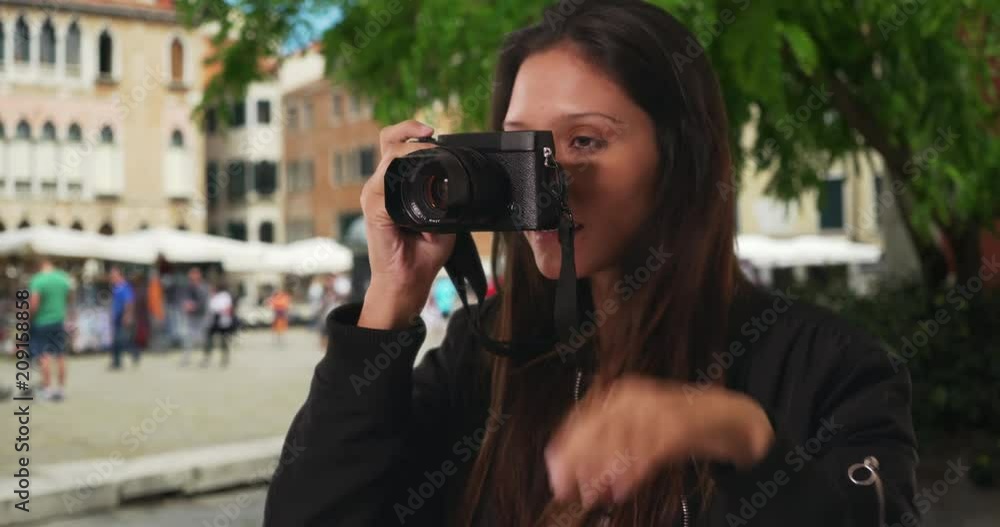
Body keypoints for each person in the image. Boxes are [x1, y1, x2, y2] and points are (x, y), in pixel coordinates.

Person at [263, 2, 918, 526]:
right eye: (526, 148)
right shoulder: (484, 357)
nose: (550, 178)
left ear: (680, 160)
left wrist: (738, 436)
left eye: (585, 140)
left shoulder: (828, 367)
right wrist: (391, 298)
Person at [28, 258, 73, 401]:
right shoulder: (63, 278)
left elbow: (33, 304)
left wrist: (28, 317)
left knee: (44, 355)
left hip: (41, 322)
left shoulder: (38, 280)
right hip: (58, 320)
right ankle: (60, 389)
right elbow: (70, 297)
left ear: (39, 266)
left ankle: (47, 389)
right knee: (60, 355)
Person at [108, 266, 138, 370]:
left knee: (120, 339)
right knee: (119, 339)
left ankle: (121, 360)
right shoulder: (116, 287)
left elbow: (129, 302)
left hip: (123, 316)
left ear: (119, 275)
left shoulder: (124, 287)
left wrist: (127, 316)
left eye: (113, 275)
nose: (112, 277)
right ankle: (117, 361)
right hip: (117, 316)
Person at [179, 267, 210, 366]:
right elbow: (183, 299)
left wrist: (194, 306)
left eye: (194, 274)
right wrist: (185, 305)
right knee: (188, 338)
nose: (192, 276)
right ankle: (186, 358)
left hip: (201, 316)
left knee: (202, 339)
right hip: (191, 317)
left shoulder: (203, 287)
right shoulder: (188, 287)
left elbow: (204, 303)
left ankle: (205, 358)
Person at [202, 282, 235, 367]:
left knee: (223, 340)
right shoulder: (211, 296)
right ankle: (207, 357)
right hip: (213, 320)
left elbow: (228, 308)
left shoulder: (225, 296)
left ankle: (224, 358)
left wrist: (222, 311)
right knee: (209, 340)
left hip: (222, 321)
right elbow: (209, 308)